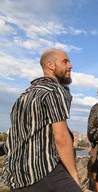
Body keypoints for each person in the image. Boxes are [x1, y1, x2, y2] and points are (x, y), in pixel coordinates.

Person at [0, 49, 82, 191]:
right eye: (65, 61)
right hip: (44, 171)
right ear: (50, 65)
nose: (70, 65)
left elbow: (17, 134)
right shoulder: (55, 90)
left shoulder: (25, 94)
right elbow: (61, 137)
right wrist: (74, 175)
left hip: (17, 175)